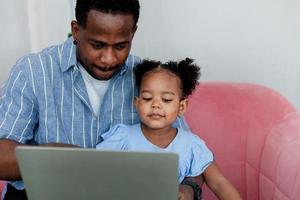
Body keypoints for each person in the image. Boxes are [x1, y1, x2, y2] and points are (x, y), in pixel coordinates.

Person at [0, 0, 196, 199]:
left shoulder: (149, 79)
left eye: (120, 46)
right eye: (97, 45)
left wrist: (189, 188)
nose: (108, 59)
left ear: (133, 33)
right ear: (76, 30)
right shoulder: (33, 71)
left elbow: (191, 154)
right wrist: (61, 159)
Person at [96, 58, 242, 200]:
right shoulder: (122, 137)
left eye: (166, 100)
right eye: (147, 98)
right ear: (137, 103)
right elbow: (94, 172)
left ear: (181, 107)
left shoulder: (192, 145)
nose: (156, 105)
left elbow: (219, 183)